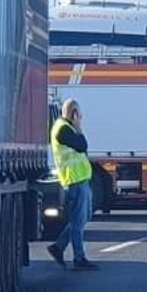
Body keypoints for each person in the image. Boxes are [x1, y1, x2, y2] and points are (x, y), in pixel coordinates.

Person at [48, 98, 98, 270]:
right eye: (79, 113)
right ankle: (79, 258)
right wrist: (79, 127)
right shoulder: (63, 130)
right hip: (74, 181)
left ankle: (58, 247)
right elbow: (82, 145)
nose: (81, 116)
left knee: (85, 216)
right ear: (74, 113)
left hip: (81, 179)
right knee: (78, 222)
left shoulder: (65, 127)